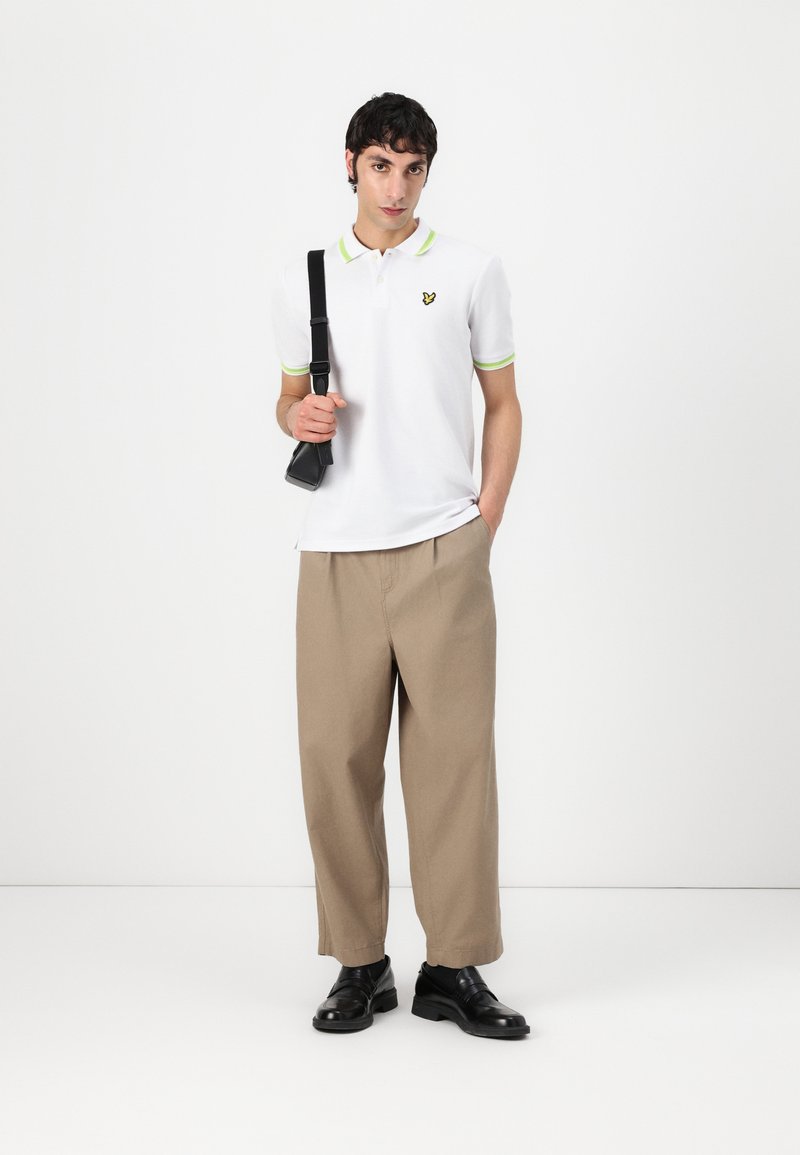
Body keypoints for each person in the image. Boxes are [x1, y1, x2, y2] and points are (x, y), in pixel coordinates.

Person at [271, 92, 528, 1040]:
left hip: (443, 547)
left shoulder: (470, 270)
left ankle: (453, 966)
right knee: (333, 762)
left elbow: (504, 402)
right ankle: (360, 963)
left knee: (455, 762)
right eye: (381, 165)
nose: (397, 186)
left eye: (413, 168)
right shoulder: (303, 277)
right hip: (336, 550)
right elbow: (288, 399)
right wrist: (294, 416)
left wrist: (483, 520)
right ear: (351, 164)